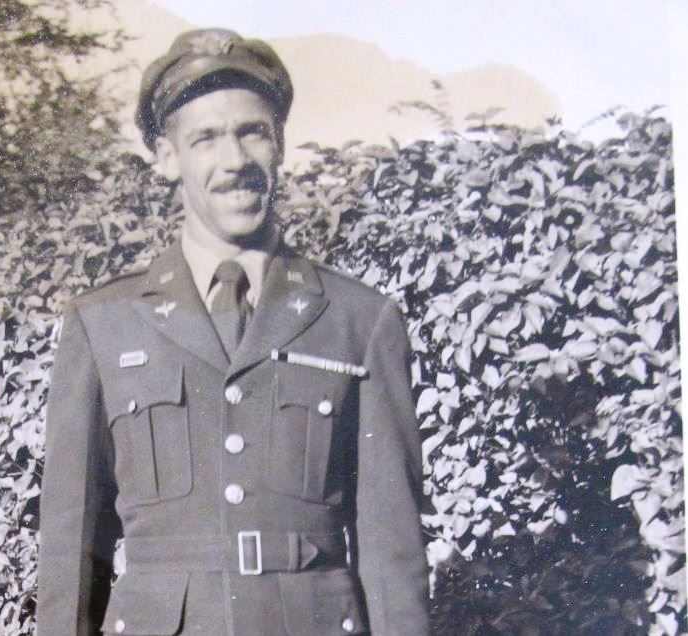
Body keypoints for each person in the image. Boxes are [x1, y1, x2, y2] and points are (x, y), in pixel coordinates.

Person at [36, 28, 430, 636]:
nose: (235, 161)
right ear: (167, 156)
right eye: (206, 138)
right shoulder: (102, 323)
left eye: (253, 131)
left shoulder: (359, 321)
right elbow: (71, 547)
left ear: (279, 145)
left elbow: (390, 547)